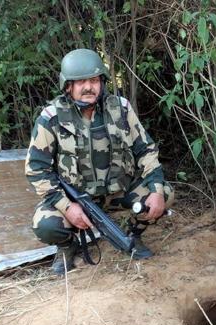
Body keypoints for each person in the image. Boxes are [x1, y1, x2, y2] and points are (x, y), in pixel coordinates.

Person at [25, 48, 174, 275]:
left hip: (117, 192)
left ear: (101, 82)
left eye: (94, 80)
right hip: (75, 198)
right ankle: (66, 248)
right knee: (45, 225)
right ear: (68, 86)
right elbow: (36, 169)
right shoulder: (51, 118)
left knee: (165, 193)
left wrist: (155, 188)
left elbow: (146, 150)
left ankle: (131, 237)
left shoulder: (120, 109)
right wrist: (67, 206)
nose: (88, 87)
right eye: (81, 81)